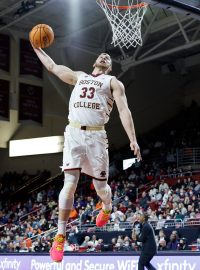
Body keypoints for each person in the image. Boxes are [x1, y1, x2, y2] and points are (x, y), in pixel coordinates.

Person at [32, 43, 141, 262]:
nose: (104, 56)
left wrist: (133, 139)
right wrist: (36, 47)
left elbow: (123, 110)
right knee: (69, 183)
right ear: (94, 62)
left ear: (109, 67)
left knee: (100, 187)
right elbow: (53, 67)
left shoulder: (113, 82)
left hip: (96, 137)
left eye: (108, 58)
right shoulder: (79, 76)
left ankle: (108, 206)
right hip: (73, 133)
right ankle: (60, 235)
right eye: (101, 55)